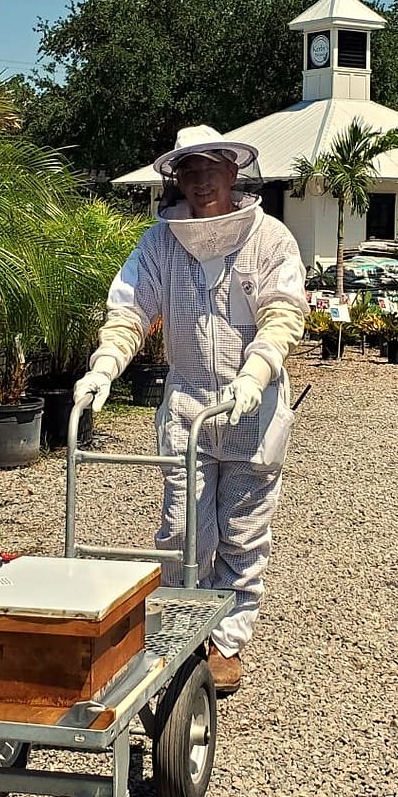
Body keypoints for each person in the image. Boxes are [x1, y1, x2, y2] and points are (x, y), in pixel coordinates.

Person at [74, 125, 307, 694]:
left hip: (253, 403)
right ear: (176, 178)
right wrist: (105, 364)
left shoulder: (270, 238)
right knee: (182, 528)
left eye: (211, 169)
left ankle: (227, 639)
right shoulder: (159, 244)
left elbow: (283, 311)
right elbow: (131, 308)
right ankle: (182, 625)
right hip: (187, 405)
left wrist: (256, 372)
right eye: (189, 171)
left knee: (244, 531)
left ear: (233, 172)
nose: (201, 181)